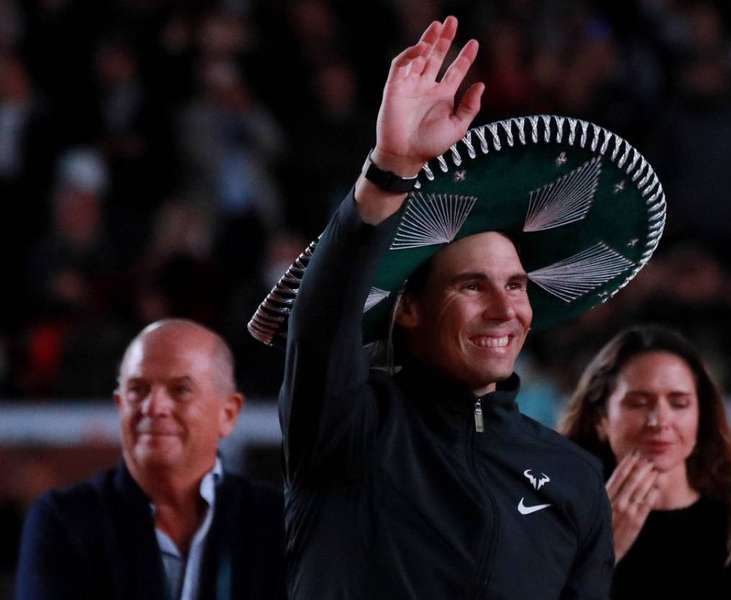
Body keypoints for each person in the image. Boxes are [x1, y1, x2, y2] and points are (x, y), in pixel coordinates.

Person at [249, 15, 667, 600]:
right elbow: (320, 327)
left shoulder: (573, 478)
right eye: (472, 286)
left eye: (517, 286)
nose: (504, 309)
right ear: (410, 309)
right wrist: (390, 170)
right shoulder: (346, 427)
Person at [15, 319, 286, 600]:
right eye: (138, 389)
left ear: (228, 413)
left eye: (180, 389)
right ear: (120, 405)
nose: (154, 407)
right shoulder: (64, 521)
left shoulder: (276, 524)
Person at [560, 325, 731, 599]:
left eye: (679, 403)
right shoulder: (557, 528)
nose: (659, 420)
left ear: (701, 416)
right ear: (601, 419)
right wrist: (596, 555)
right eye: (638, 403)